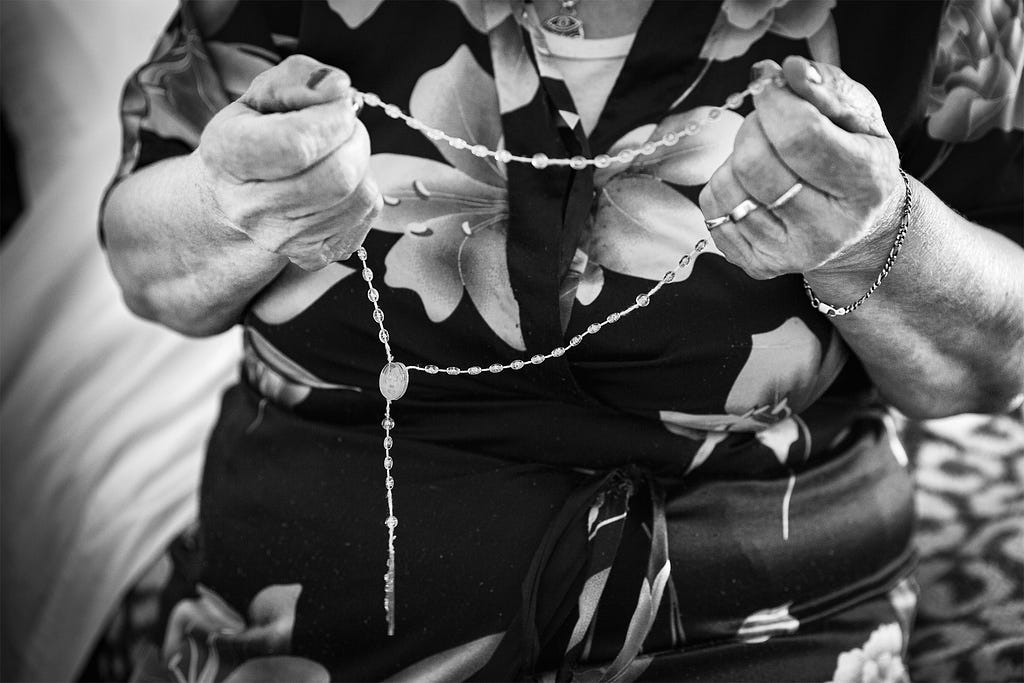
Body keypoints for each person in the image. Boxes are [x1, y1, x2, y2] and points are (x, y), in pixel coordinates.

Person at [101, 1, 1023, 680]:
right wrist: (230, 202)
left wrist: (880, 232)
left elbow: (997, 358)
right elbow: (149, 273)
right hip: (320, 615)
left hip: (762, 620)